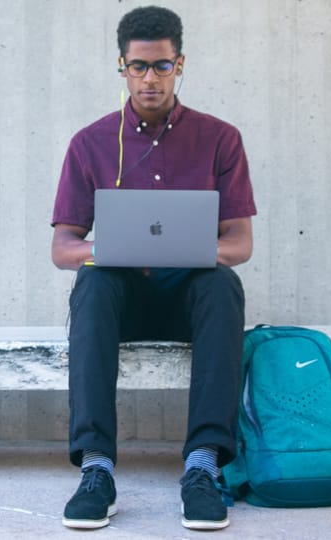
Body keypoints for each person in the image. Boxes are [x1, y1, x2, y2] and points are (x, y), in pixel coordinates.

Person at [49, 5, 257, 531]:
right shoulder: (90, 143)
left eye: (161, 66)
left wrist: (185, 251)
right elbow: (63, 248)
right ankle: (96, 469)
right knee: (92, 281)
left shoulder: (220, 138)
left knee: (222, 283)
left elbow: (239, 244)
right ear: (121, 67)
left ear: (179, 64)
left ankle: (202, 467)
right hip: (124, 304)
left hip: (190, 300)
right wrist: (116, 250)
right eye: (138, 67)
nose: (149, 78)